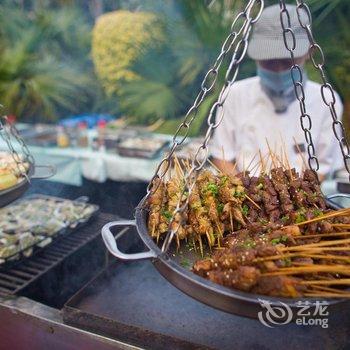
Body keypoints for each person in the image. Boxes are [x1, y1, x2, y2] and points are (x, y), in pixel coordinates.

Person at [210, 4, 343, 181]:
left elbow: (322, 169)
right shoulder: (235, 94)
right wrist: (246, 194)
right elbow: (222, 157)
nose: (278, 69)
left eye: (287, 61)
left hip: (301, 198)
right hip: (245, 194)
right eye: (269, 62)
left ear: (309, 51)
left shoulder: (326, 100)